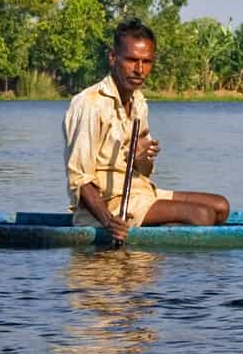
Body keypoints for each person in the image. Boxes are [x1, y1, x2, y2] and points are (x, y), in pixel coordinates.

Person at [64, 19, 231, 243]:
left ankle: (156, 234)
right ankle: (155, 248)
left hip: (140, 191)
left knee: (221, 207)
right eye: (132, 60)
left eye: (146, 62)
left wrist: (141, 158)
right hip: (110, 205)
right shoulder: (90, 104)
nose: (139, 70)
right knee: (202, 216)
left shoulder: (138, 101)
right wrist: (108, 221)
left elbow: (143, 169)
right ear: (113, 57)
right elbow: (80, 179)